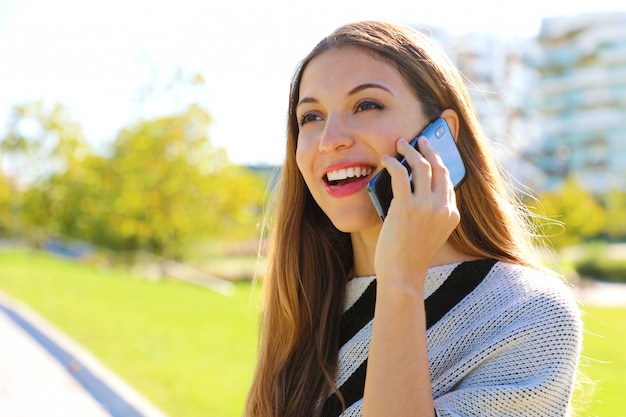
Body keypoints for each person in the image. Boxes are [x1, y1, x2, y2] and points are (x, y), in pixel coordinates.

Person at [244, 21, 582, 417]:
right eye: (310, 117)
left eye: (367, 105)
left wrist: (401, 278)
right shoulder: (303, 304)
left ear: (441, 133)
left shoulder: (529, 314)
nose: (330, 138)